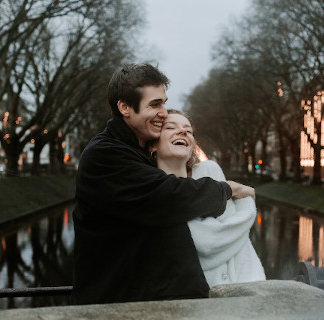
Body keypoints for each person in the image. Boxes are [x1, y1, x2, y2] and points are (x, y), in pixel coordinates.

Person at [71, 63, 254, 305]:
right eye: (155, 104)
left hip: (154, 304)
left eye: (164, 103)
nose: (164, 112)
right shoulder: (104, 155)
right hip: (120, 306)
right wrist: (228, 189)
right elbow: (168, 196)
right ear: (125, 107)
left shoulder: (134, 152)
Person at [149, 109, 265, 288]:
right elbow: (213, 240)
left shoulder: (209, 172)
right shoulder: (147, 191)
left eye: (189, 131)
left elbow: (240, 248)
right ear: (152, 146)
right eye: (171, 127)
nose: (183, 132)